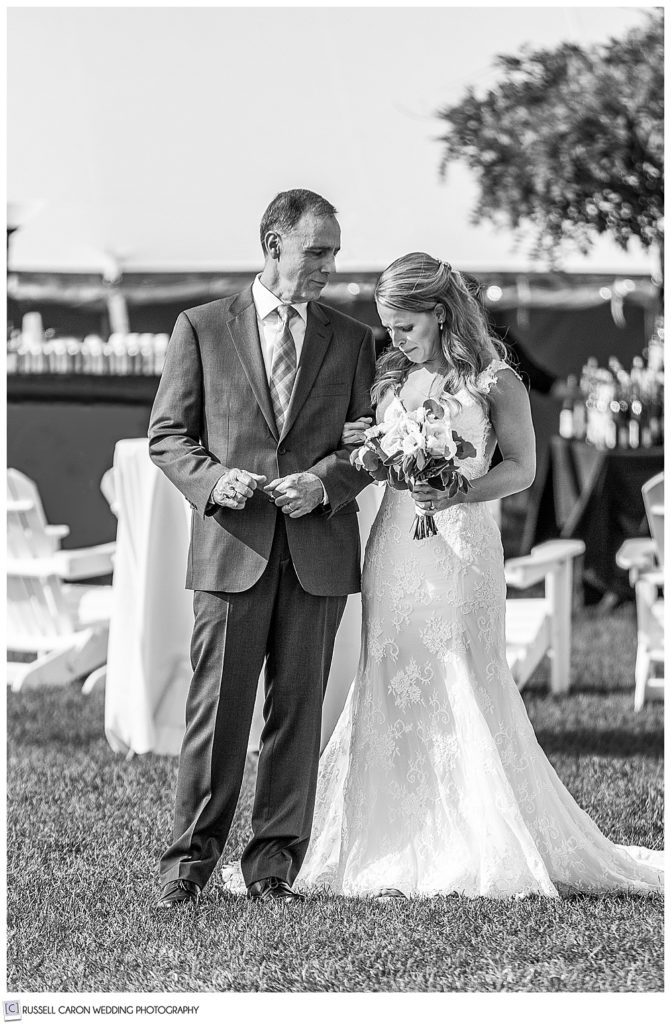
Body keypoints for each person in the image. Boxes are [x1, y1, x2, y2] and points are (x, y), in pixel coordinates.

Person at [295, 253, 664, 899]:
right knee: (389, 671)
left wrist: (458, 492)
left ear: (438, 314)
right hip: (393, 546)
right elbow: (381, 463)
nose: (395, 339)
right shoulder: (391, 382)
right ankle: (389, 838)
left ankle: (478, 838)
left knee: (461, 670)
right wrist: (372, 451)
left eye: (404, 326)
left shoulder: (494, 382)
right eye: (388, 327)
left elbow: (519, 468)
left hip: (460, 547)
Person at [148, 188, 375, 908]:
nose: (329, 268)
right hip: (231, 549)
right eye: (316, 252)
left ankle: (273, 868)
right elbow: (168, 436)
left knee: (297, 712)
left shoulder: (351, 337)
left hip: (317, 553)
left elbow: (367, 445)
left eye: (333, 253)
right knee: (217, 714)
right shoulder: (202, 327)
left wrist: (326, 484)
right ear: (272, 242)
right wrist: (216, 483)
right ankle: (188, 867)